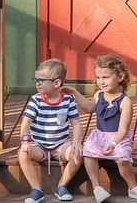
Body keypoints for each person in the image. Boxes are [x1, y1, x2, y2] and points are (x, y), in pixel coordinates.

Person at [65, 54, 137, 202]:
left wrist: (113, 143)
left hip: (118, 137)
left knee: (122, 158)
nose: (101, 82)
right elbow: (88, 108)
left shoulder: (125, 102)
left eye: (105, 77)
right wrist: (75, 92)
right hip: (99, 135)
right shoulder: (99, 95)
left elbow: (123, 130)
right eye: (98, 78)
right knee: (88, 153)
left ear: (119, 77)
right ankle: (97, 188)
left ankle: (133, 188)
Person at [19, 58, 83, 203]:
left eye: (42, 80)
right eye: (36, 80)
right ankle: (36, 189)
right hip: (39, 145)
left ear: (57, 83)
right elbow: (26, 123)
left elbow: (76, 123)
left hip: (61, 145)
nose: (37, 83)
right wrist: (25, 141)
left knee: (78, 154)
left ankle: (62, 186)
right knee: (22, 154)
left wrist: (76, 142)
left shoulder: (68, 100)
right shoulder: (35, 100)